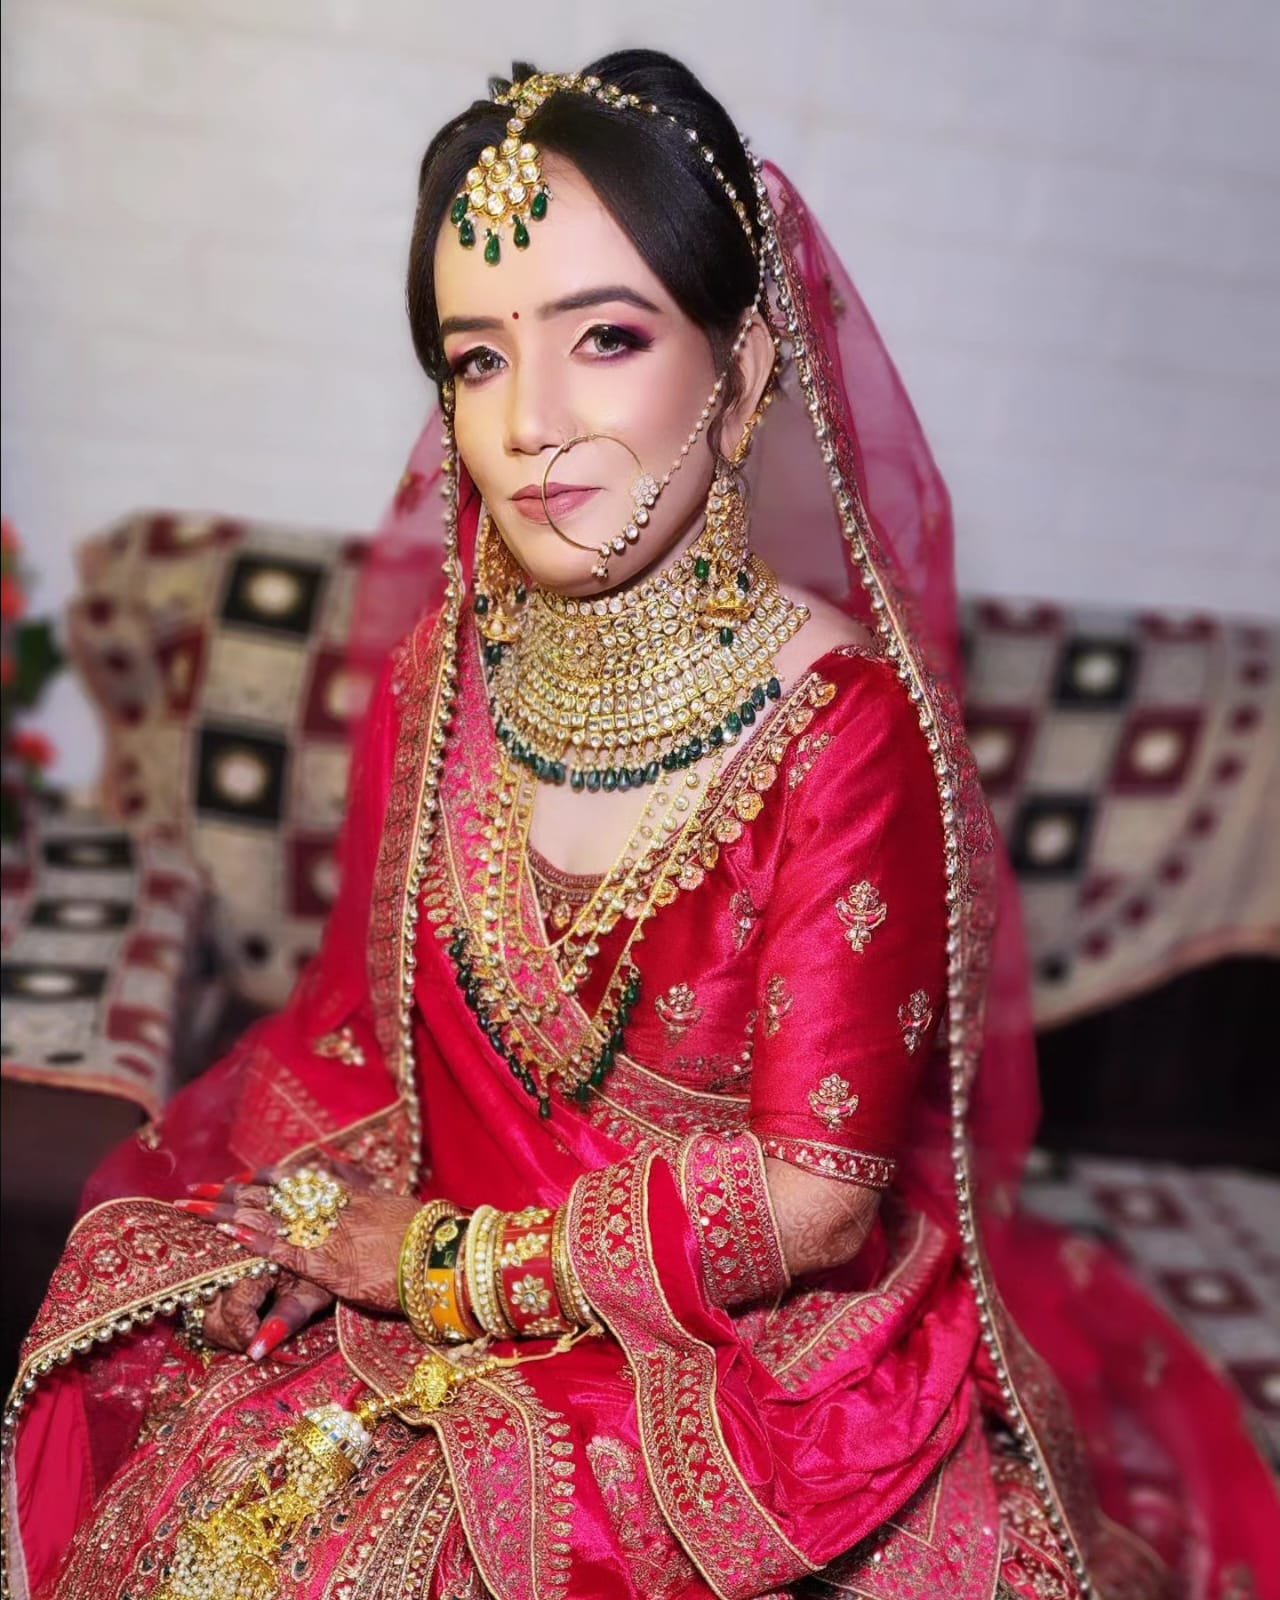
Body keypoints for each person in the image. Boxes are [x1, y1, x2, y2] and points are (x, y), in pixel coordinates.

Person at [2, 50, 1275, 1600]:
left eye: (605, 337)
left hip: (744, 1359)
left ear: (739, 383)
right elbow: (373, 1034)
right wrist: (309, 1227)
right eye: (478, 358)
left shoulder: (843, 734)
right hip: (438, 1290)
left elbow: (817, 1200)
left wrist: (436, 1266)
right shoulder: (445, 677)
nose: (532, 421)